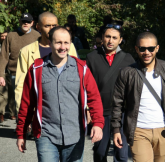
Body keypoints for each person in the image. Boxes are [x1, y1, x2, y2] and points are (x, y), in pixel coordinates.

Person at [16, 26, 105, 162]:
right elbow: (27, 103)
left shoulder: (82, 68)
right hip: (46, 135)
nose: (63, 47)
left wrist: (98, 124)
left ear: (70, 44)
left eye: (66, 43)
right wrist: (21, 133)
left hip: (75, 135)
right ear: (50, 43)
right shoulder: (36, 69)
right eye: (58, 42)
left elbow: (94, 98)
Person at [111, 32, 165, 162]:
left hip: (164, 130)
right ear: (136, 49)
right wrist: (116, 129)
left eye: (151, 48)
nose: (147, 52)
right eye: (142, 48)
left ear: (157, 48)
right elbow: (117, 103)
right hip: (138, 130)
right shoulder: (127, 73)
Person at [86, 24, 135, 162]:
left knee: (121, 153)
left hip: (122, 113)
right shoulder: (92, 57)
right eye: (107, 36)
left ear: (120, 40)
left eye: (114, 37)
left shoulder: (128, 59)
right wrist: (88, 108)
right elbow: (85, 86)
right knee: (100, 152)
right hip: (100, 112)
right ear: (102, 38)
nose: (110, 40)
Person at [15, 12, 78, 115]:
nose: (51, 29)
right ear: (38, 27)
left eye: (54, 26)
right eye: (47, 26)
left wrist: (86, 108)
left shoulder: (69, 48)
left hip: (67, 110)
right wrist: (23, 113)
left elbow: (78, 78)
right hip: (39, 111)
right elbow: (21, 85)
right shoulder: (26, 52)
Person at [0, 13, 40, 120]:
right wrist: (1, 75)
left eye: (28, 22)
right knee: (19, 100)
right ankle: (21, 124)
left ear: (32, 23)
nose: (25, 23)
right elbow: (3, 56)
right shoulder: (11, 36)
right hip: (14, 73)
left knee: (33, 100)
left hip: (33, 73)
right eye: (23, 21)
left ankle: (32, 124)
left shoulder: (37, 36)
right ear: (20, 22)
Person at [0, 29, 9, 123]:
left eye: (5, 36)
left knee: (10, 94)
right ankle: (1, 113)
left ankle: (12, 112)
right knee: (2, 93)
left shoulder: (10, 44)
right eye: (2, 36)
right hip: (1, 72)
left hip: (10, 71)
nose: (4, 38)